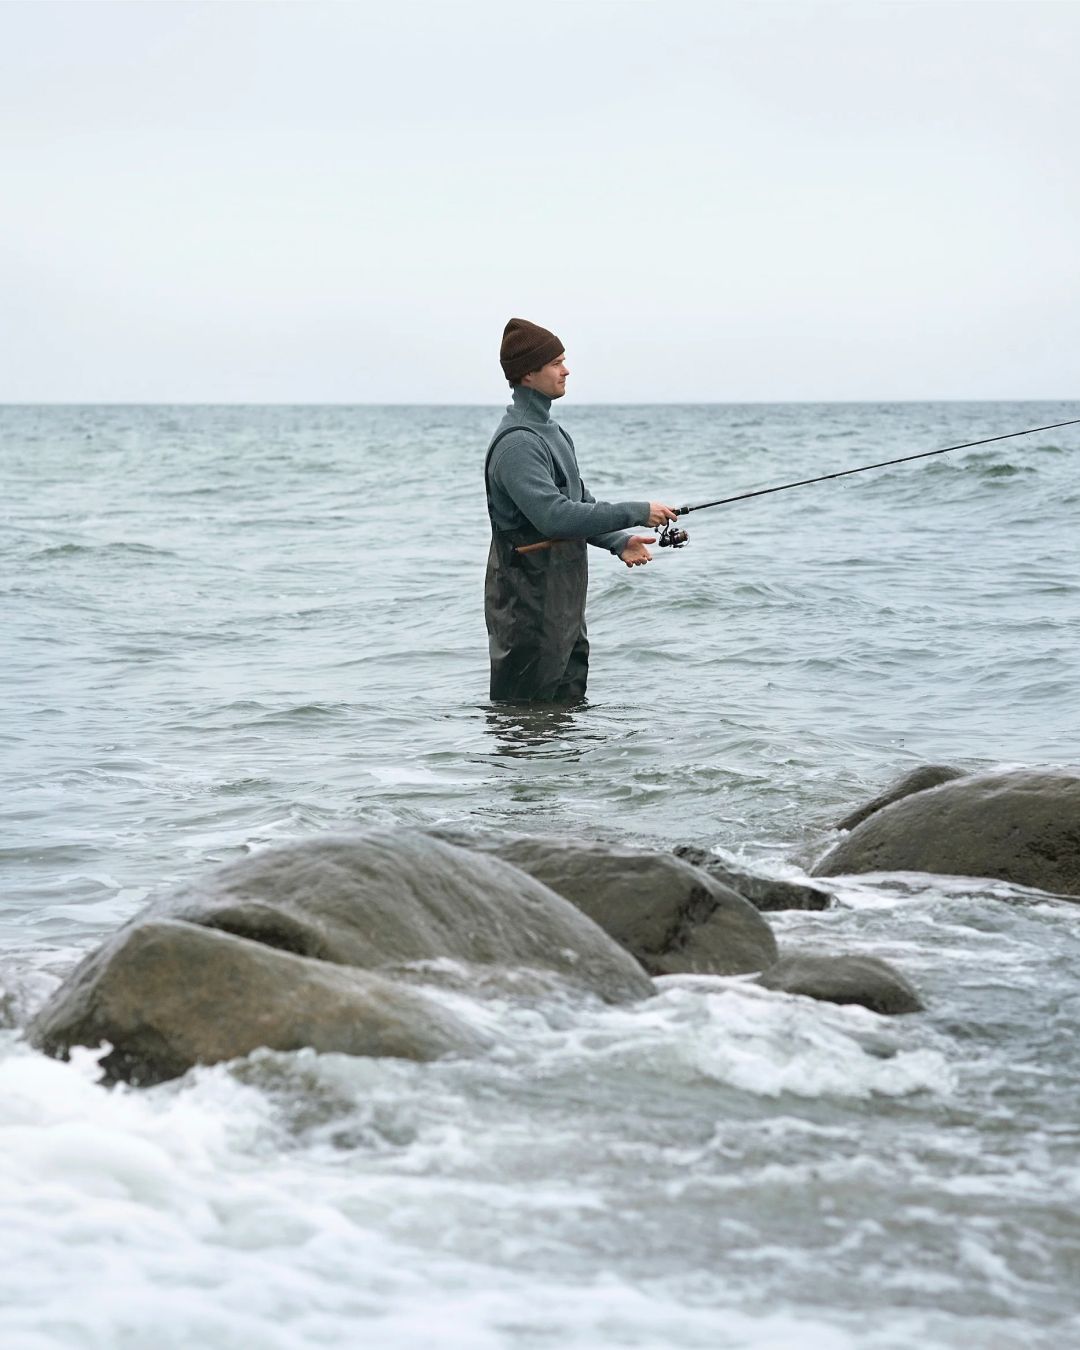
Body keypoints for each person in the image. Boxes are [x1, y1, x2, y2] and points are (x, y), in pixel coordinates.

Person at [484, 317, 677, 704]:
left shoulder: (550, 432)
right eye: (556, 362)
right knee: (524, 735)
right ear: (526, 374)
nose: (566, 369)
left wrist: (618, 541)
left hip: (563, 608)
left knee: (566, 724)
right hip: (527, 612)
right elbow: (554, 516)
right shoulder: (518, 444)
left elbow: (579, 503)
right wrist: (637, 511)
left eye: (563, 360)